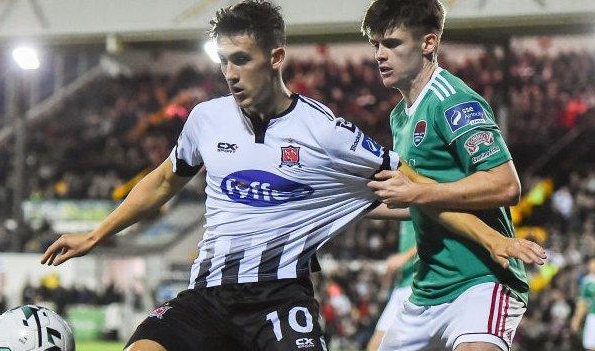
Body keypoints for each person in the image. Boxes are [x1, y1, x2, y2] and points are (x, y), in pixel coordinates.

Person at [41, 2, 544, 351]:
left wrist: (492, 240)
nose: (231, 73)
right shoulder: (206, 119)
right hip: (208, 297)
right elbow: (162, 180)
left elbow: (414, 188)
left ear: (276, 58)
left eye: (242, 59)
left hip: (282, 299)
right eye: (224, 62)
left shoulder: (326, 132)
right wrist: (97, 233)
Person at [363, 1, 542, 350]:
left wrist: (415, 194)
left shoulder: (453, 100)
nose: (380, 55)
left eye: (392, 43)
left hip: (482, 278)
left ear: (429, 43)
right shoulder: (400, 115)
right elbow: (417, 203)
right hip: (427, 288)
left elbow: (505, 185)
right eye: (376, 45)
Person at [366, 221, 416, 351]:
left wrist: (404, 257)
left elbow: (437, 237)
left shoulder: (421, 202)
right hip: (401, 285)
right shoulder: (403, 210)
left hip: (417, 285)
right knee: (375, 346)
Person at [571, 257, 595, 351]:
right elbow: (583, 302)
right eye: (592, 263)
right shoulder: (587, 281)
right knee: (591, 345)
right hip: (593, 316)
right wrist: (576, 319)